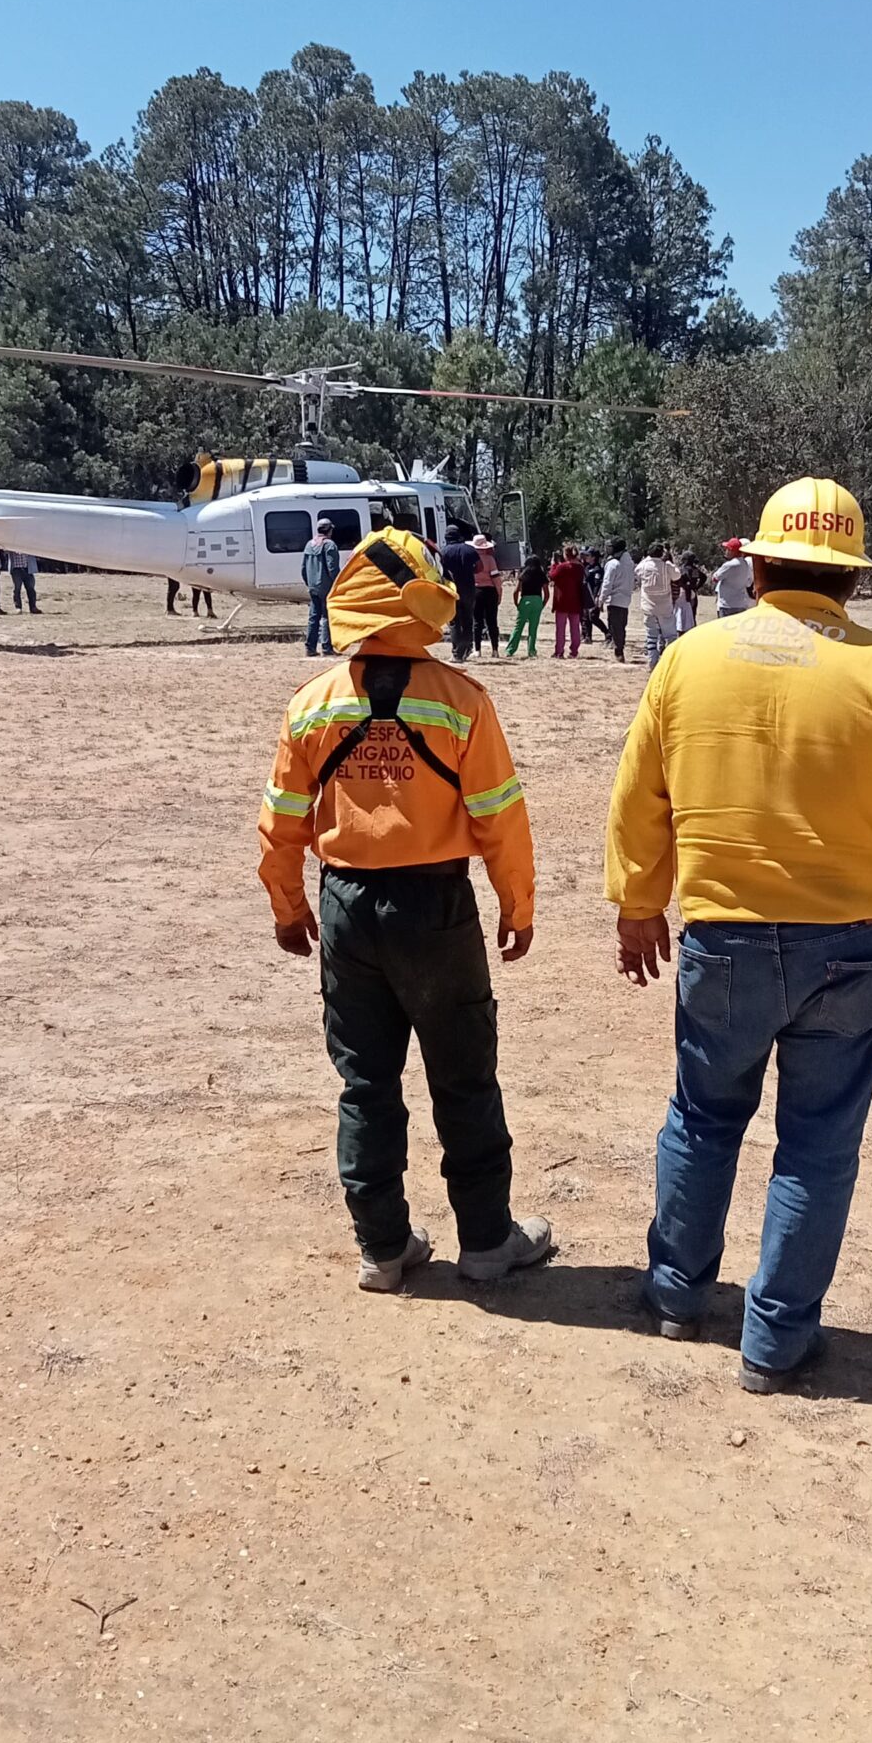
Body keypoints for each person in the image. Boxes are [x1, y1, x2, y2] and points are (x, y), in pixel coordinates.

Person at [605, 476, 872, 1392]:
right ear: (851, 579)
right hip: (853, 949)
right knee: (818, 1144)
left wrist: (637, 901)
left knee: (702, 1120)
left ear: (758, 564)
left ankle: (674, 1297)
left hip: (723, 937)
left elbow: (639, 796)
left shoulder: (690, 659)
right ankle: (775, 1342)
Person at [258, 526, 551, 1291]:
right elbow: (499, 817)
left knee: (366, 1085)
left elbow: (282, 821)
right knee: (464, 1079)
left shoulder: (313, 706)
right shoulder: (461, 703)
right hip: (437, 907)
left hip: (348, 907)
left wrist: (291, 908)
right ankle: (487, 1243)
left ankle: (383, 1250)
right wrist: (517, 905)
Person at [635, 541, 679, 670]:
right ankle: (670, 662)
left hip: (648, 606)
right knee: (670, 635)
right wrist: (669, 561)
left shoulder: (643, 566)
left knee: (651, 636)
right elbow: (677, 576)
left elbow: (636, 572)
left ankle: (652, 662)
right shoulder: (666, 566)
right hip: (665, 606)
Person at [302, 518, 341, 658]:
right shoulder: (329, 545)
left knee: (313, 617)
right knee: (326, 617)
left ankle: (310, 648)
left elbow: (303, 568)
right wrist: (339, 583)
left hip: (313, 586)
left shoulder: (309, 544)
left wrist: (309, 583)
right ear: (329, 530)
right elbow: (332, 568)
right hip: (326, 586)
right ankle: (327, 647)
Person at [442, 524, 480, 664]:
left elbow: (439, 571)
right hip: (468, 588)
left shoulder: (443, 552)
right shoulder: (469, 549)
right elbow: (479, 567)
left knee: (454, 621)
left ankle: (457, 653)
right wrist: (469, 572)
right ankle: (467, 648)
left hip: (451, 590)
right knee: (468, 619)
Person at [599, 537, 635, 662]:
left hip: (614, 599)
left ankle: (619, 651)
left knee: (615, 626)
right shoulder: (629, 563)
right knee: (621, 626)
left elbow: (607, 584)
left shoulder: (613, 564)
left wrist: (601, 599)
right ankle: (619, 647)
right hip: (626, 600)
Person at [506, 551, 549, 658]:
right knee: (533, 629)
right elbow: (547, 594)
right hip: (537, 600)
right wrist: (542, 604)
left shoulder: (523, 575)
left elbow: (516, 591)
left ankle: (510, 650)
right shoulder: (541, 575)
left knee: (518, 627)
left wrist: (517, 603)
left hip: (525, 600)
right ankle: (531, 651)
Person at [550, 544, 586, 659]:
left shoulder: (562, 567)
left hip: (562, 601)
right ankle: (574, 650)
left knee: (560, 628)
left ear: (566, 555)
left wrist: (553, 565)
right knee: (575, 627)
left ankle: (559, 651)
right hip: (576, 600)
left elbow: (552, 576)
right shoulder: (580, 568)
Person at [471, 533, 503, 656]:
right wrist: (499, 592)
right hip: (490, 591)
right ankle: (495, 649)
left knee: (477, 621)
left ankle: (477, 650)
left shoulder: (471, 559)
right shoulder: (490, 559)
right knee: (492, 621)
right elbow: (496, 578)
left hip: (476, 591)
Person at [711, 538, 753, 617]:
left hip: (727, 604)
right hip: (741, 603)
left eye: (727, 549)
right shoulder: (745, 564)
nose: (726, 551)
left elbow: (715, 578)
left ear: (732, 551)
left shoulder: (729, 565)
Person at [581, 549, 609, 645]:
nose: (586, 557)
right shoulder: (587, 567)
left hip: (594, 596)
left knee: (593, 617)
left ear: (593, 557)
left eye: (588, 555)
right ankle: (588, 637)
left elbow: (598, 584)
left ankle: (607, 633)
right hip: (586, 595)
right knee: (586, 617)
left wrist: (596, 596)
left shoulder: (598, 569)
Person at [675, 553, 706, 635]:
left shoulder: (682, 569)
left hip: (684, 594)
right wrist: (697, 586)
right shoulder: (694, 570)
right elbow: (703, 577)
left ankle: (681, 632)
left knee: (681, 614)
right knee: (692, 614)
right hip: (693, 593)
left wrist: (682, 586)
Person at [7, 548, 40, 613]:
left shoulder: (27, 543)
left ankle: (33, 607)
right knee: (17, 589)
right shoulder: (12, 543)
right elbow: (5, 550)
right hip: (16, 569)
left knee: (31, 589)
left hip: (28, 568)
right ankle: (18, 607)